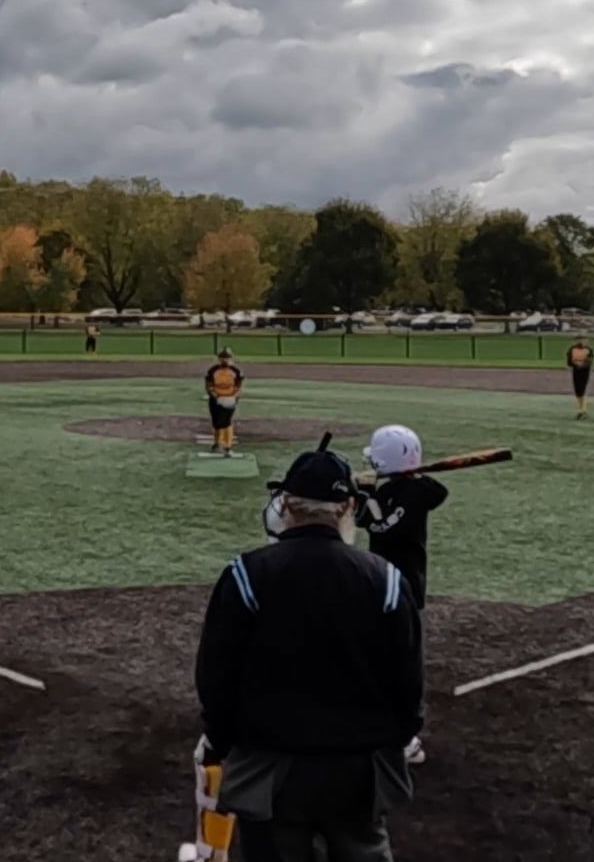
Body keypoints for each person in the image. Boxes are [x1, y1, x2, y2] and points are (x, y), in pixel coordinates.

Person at [195, 448, 423, 862]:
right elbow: (407, 680)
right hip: (359, 766)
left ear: (285, 504)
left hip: (270, 763)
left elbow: (217, 675)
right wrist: (399, 737)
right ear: (348, 507)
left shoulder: (247, 574)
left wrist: (222, 738)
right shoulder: (386, 579)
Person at [356, 425, 448, 766]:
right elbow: (364, 518)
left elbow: (375, 523)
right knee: (381, 655)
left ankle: (407, 734)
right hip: (385, 585)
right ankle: (378, 718)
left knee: (406, 660)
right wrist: (366, 491)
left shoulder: (415, 492)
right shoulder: (400, 491)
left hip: (404, 588)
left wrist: (367, 492)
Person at [205, 348, 244, 456]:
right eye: (222, 358)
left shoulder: (236, 371)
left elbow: (238, 386)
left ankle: (227, 446)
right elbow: (209, 385)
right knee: (216, 422)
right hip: (216, 399)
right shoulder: (213, 370)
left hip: (229, 399)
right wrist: (214, 395)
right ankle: (217, 443)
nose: (224, 360)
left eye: (227, 358)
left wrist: (233, 397)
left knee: (226, 421)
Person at [566, 336, 594, 419]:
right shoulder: (572, 349)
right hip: (576, 371)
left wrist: (582, 365)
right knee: (577, 390)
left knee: (582, 389)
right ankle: (582, 410)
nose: (581, 342)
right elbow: (569, 362)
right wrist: (576, 364)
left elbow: (590, 361)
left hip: (585, 371)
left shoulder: (588, 350)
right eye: (579, 340)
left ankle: (582, 410)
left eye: (583, 340)